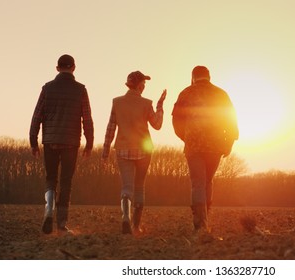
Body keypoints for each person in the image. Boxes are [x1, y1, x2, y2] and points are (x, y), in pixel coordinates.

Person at [29, 54, 94, 235]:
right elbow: (87, 118)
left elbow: (37, 116)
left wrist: (33, 141)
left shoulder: (47, 88)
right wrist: (89, 143)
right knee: (66, 182)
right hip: (71, 142)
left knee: (51, 178)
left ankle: (49, 209)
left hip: (50, 141)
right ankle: (62, 224)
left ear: (57, 68)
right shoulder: (81, 90)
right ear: (74, 68)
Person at [172, 66, 239, 232]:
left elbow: (176, 120)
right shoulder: (221, 94)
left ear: (193, 77)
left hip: (193, 146)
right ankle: (206, 217)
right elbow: (231, 120)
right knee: (208, 181)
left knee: (197, 184)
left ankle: (200, 222)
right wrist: (229, 142)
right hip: (215, 146)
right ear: (209, 76)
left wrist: (185, 137)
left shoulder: (186, 93)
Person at [102, 71, 166, 234]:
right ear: (138, 85)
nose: (144, 86)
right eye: (143, 83)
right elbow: (157, 125)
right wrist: (160, 106)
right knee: (139, 187)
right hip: (144, 150)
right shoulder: (146, 103)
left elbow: (111, 127)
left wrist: (105, 150)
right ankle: (136, 226)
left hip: (123, 149)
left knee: (127, 186)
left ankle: (125, 216)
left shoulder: (117, 102)